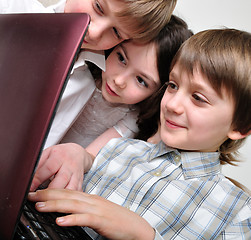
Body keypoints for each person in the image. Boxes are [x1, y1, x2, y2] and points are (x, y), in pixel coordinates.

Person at [28, 28, 251, 239]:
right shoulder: (120, 149)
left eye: (198, 98)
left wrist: (145, 235)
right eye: (173, 85)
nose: (172, 104)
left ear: (241, 126)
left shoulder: (239, 211)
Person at [30, 15, 193, 191]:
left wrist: (77, 156)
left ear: (157, 93)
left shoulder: (131, 117)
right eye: (121, 58)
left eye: (141, 80)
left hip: (59, 174)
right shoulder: (81, 67)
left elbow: (90, 156)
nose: (119, 81)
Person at [0, 0, 177, 150]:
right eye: (99, 7)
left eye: (116, 32)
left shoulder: (83, 86)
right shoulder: (9, 9)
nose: (94, 31)